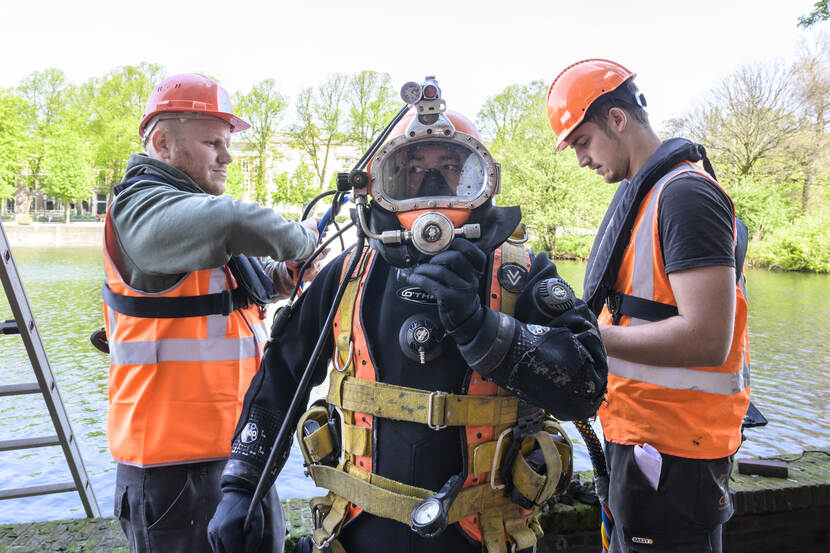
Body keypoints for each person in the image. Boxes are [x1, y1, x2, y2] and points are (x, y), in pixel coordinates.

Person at [207, 79, 608, 553]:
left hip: (485, 538)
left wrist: (483, 329)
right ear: (381, 185)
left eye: (452, 170)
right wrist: (241, 482)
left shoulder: (518, 273)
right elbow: (281, 376)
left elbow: (586, 386)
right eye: (412, 171)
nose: (432, 188)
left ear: (481, 182)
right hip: (357, 535)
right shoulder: (348, 274)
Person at [101, 73, 323, 553]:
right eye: (213, 143)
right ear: (163, 142)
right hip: (173, 472)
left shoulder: (185, 211)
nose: (227, 156)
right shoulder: (141, 209)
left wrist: (280, 277)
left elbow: (232, 283)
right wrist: (304, 239)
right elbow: (233, 221)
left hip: (238, 457)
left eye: (227, 143)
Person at [546, 59, 751, 553]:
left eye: (581, 141)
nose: (580, 159)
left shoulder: (684, 197)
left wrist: (585, 341)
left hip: (677, 457)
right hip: (644, 443)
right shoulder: (649, 197)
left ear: (617, 119)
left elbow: (707, 337)